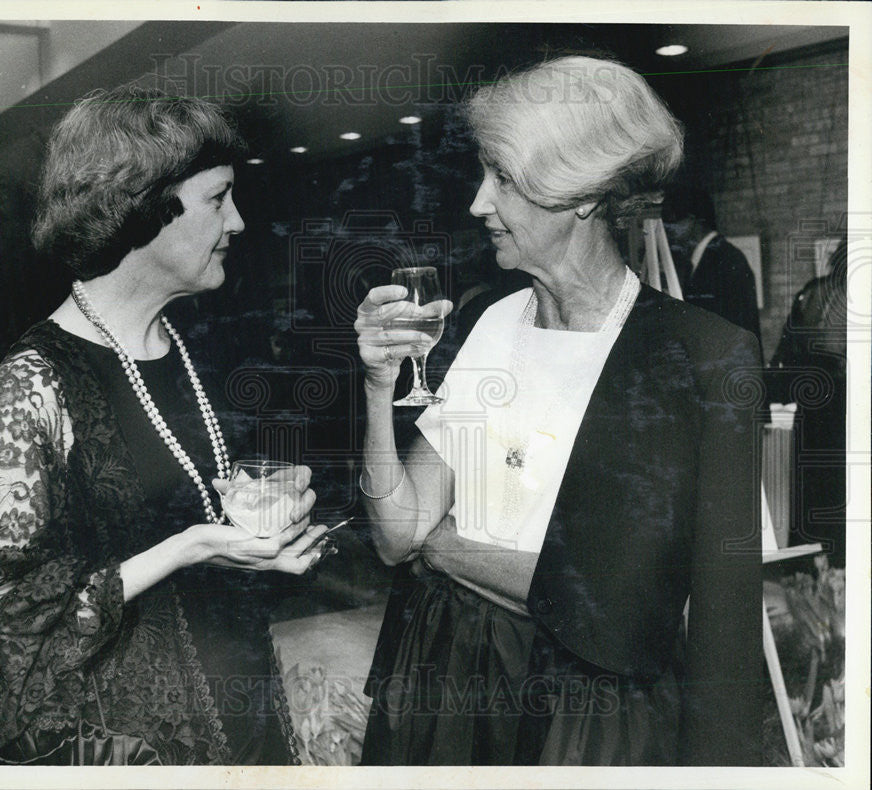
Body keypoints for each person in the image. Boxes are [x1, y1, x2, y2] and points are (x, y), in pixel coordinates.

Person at [354, 56, 762, 766]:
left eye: (503, 179)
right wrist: (375, 384)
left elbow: (631, 611)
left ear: (580, 191)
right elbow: (395, 536)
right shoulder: (492, 323)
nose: (480, 203)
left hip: (587, 720)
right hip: (449, 683)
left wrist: (444, 545)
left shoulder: (702, 356)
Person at [0, 84, 330, 765]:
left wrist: (265, 538)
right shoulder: (34, 382)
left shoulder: (191, 345)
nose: (239, 223)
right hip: (130, 741)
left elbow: (193, 515)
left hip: (237, 705)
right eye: (219, 198)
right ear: (142, 208)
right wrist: (191, 546)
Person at [769, 238, 847, 566]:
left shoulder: (812, 292)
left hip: (813, 409)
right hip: (841, 410)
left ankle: (812, 578)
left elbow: (783, 358)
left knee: (814, 502)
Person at [662, 184, 763, 350]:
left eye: (673, 221)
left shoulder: (727, 260)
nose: (667, 230)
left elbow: (737, 332)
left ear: (694, 221)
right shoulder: (700, 262)